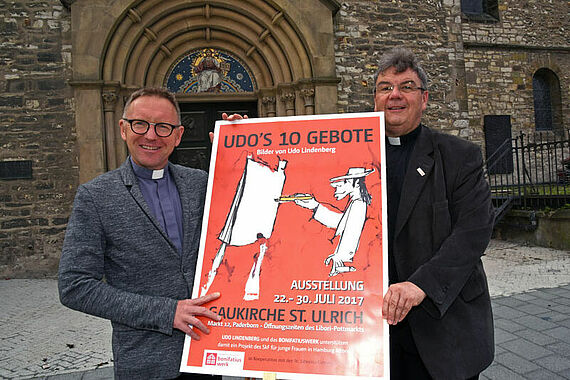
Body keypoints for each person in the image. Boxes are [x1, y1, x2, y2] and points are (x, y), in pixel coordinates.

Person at [58, 87, 244, 379]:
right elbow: (75, 286)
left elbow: (243, 219)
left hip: (207, 357)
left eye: (163, 127)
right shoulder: (96, 196)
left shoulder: (200, 183)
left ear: (179, 135)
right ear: (122, 128)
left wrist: (242, 146)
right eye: (140, 124)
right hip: (145, 363)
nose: (151, 135)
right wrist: (166, 312)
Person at [375, 48, 495, 379]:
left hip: (443, 330)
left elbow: (474, 233)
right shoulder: (350, 154)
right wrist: (243, 141)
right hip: (373, 337)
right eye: (385, 87)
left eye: (406, 86)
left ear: (424, 99)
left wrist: (420, 284)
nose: (394, 95)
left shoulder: (459, 156)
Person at [293, 167, 374, 276]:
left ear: (357, 184)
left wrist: (340, 257)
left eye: (341, 185)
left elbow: (352, 232)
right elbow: (341, 223)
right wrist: (314, 205)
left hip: (355, 265)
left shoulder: (358, 204)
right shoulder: (356, 202)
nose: (336, 190)